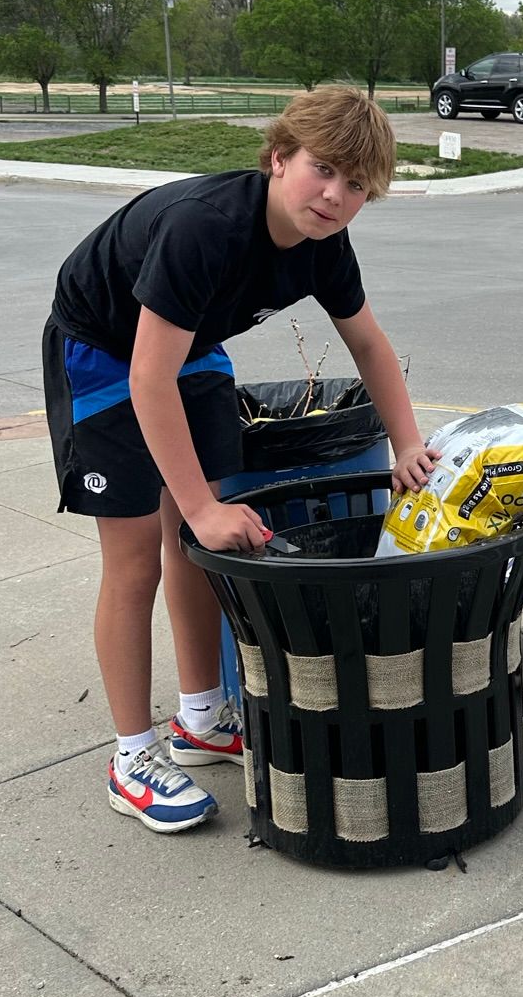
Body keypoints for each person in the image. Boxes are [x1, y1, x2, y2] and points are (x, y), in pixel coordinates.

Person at [42, 85, 438, 833]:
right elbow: (143, 378)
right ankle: (131, 757)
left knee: (197, 548)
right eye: (323, 169)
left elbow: (367, 343)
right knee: (137, 561)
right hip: (103, 351)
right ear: (278, 156)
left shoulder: (324, 244)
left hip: (186, 349)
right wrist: (198, 504)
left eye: (357, 185)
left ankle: (201, 718)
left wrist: (409, 444)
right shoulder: (206, 229)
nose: (335, 195)